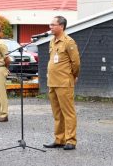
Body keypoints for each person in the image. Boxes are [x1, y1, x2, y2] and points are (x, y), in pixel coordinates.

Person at [43, 16, 80, 151]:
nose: (50, 27)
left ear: (61, 26)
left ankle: (71, 140)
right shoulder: (52, 42)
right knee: (57, 113)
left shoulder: (69, 42)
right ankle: (59, 139)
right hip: (52, 82)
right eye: (50, 24)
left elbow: (76, 63)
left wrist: (73, 76)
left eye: (53, 25)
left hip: (64, 82)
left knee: (68, 112)